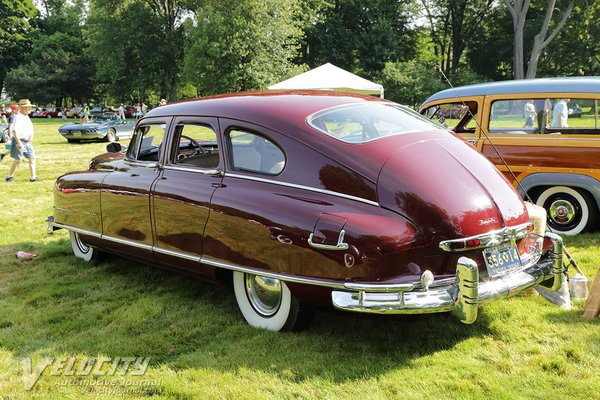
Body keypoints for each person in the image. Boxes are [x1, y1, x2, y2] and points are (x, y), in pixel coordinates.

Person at [5, 99, 37, 182]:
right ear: (21, 108)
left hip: (27, 142)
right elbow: (15, 130)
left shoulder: (26, 116)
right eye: (27, 108)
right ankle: (9, 176)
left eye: (29, 108)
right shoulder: (18, 117)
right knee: (18, 160)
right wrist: (19, 143)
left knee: (32, 158)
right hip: (20, 141)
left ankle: (33, 177)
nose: (29, 109)